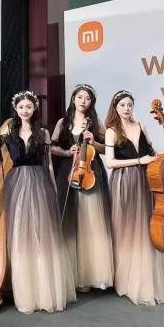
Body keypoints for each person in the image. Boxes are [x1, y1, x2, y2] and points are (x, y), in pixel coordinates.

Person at [0, 90, 76, 314]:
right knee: (20, 233)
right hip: (16, 185)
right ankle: (25, 289)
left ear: (34, 108)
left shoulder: (43, 132)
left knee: (41, 233)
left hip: (39, 183)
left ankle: (45, 289)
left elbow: (48, 163)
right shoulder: (9, 130)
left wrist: (53, 188)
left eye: (28, 106)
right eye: (21, 107)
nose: (25, 110)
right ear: (15, 109)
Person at [103, 90, 164, 305]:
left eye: (129, 105)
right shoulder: (111, 131)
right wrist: (138, 161)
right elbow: (110, 162)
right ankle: (127, 280)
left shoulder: (141, 126)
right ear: (115, 107)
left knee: (147, 228)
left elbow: (151, 155)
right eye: (122, 105)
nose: (126, 108)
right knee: (128, 230)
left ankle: (149, 279)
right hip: (124, 182)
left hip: (146, 180)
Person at [51, 84, 114, 292]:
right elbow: (52, 147)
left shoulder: (96, 122)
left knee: (91, 221)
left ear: (91, 102)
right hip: (69, 172)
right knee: (70, 220)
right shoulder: (63, 122)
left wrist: (94, 142)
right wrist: (67, 152)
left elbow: (106, 150)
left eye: (87, 98)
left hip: (91, 172)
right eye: (80, 97)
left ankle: (92, 275)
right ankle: (74, 275)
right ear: (73, 99)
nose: (83, 101)